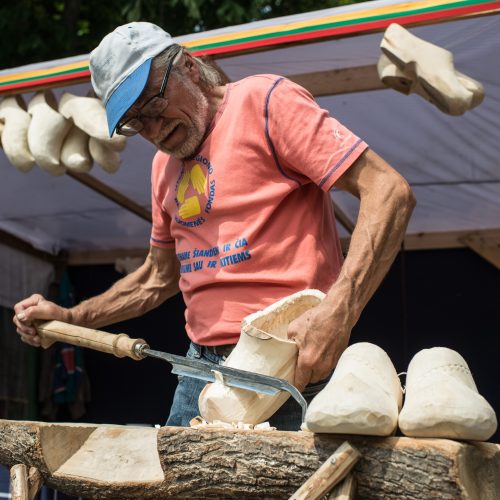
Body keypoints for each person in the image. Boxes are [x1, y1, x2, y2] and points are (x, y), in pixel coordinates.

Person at [13, 22, 415, 430]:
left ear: (187, 65)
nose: (153, 130)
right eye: (136, 122)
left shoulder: (265, 102)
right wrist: (70, 316)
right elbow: (156, 277)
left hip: (289, 359)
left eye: (152, 104)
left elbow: (388, 191)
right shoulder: (161, 168)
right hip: (199, 369)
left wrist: (338, 312)